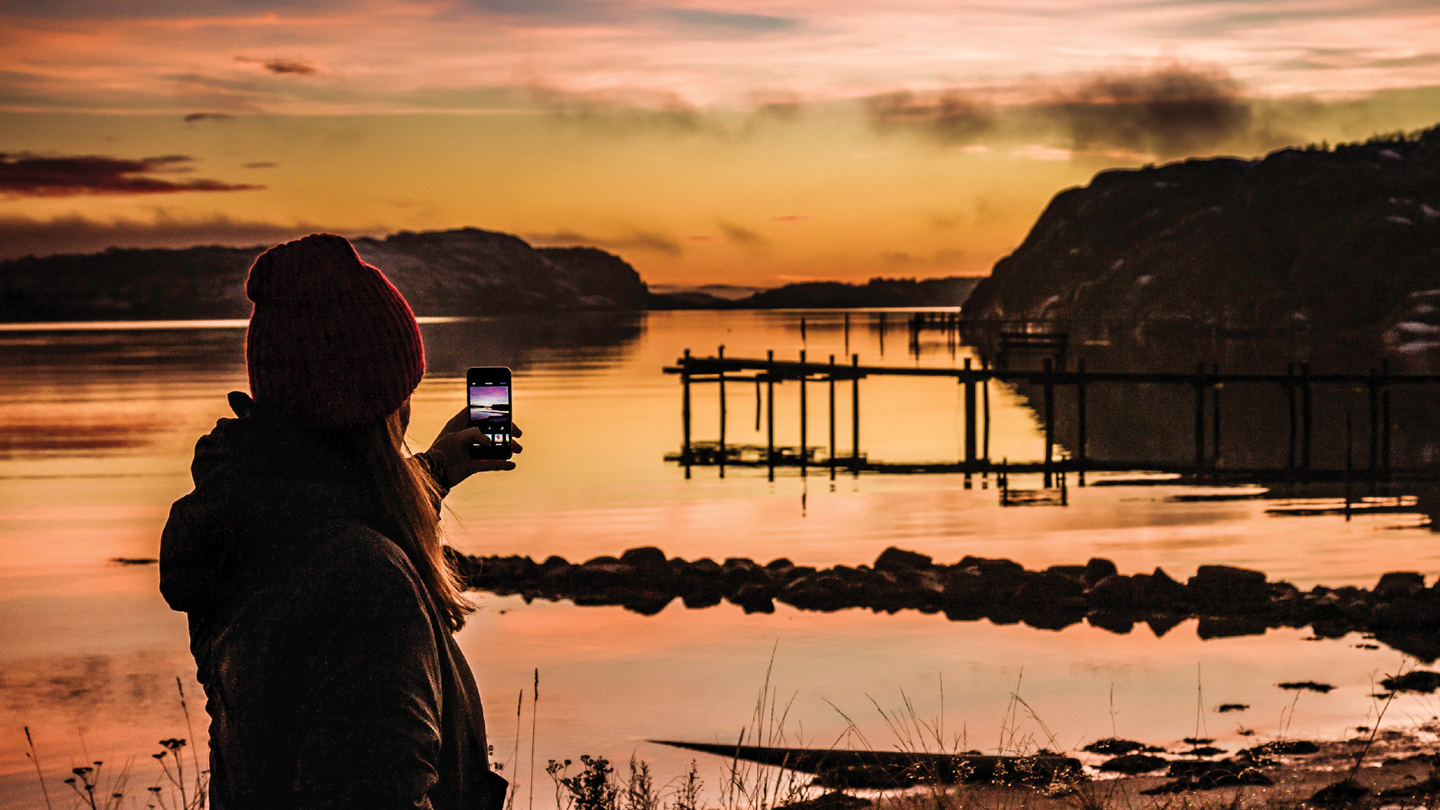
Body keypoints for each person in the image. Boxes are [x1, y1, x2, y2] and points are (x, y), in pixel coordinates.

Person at [160, 233, 516, 810]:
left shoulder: (254, 522)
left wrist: (437, 471)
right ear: (377, 408)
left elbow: (327, 506)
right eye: (404, 392)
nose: (409, 408)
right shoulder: (366, 584)